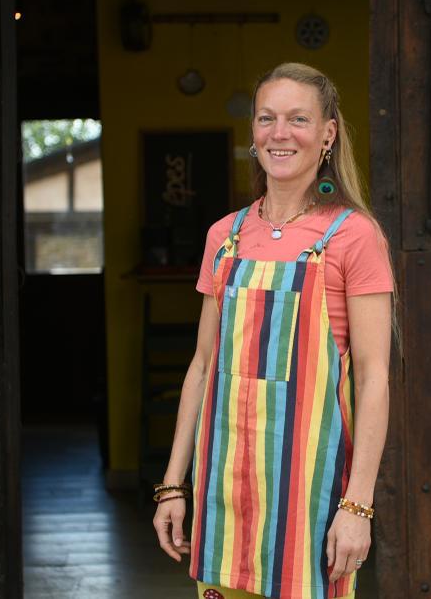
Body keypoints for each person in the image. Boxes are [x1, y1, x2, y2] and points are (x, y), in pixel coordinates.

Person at [152, 62, 394, 599]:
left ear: (328, 133)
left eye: (298, 119)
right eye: (266, 119)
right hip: (224, 495)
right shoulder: (227, 235)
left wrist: (357, 506)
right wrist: (174, 484)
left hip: (310, 498)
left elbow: (374, 378)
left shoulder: (353, 236)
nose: (279, 133)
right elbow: (203, 365)